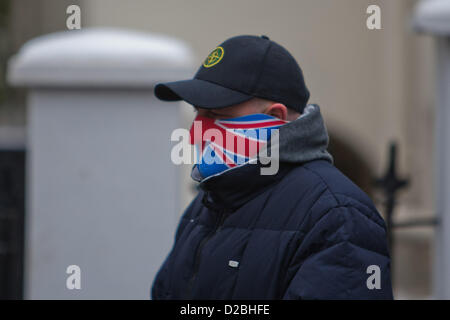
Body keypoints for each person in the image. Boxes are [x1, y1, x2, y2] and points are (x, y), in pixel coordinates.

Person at [151, 35, 393, 299]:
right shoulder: (207, 203)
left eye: (216, 114)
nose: (198, 132)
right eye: (198, 113)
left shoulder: (337, 215)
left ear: (274, 118)